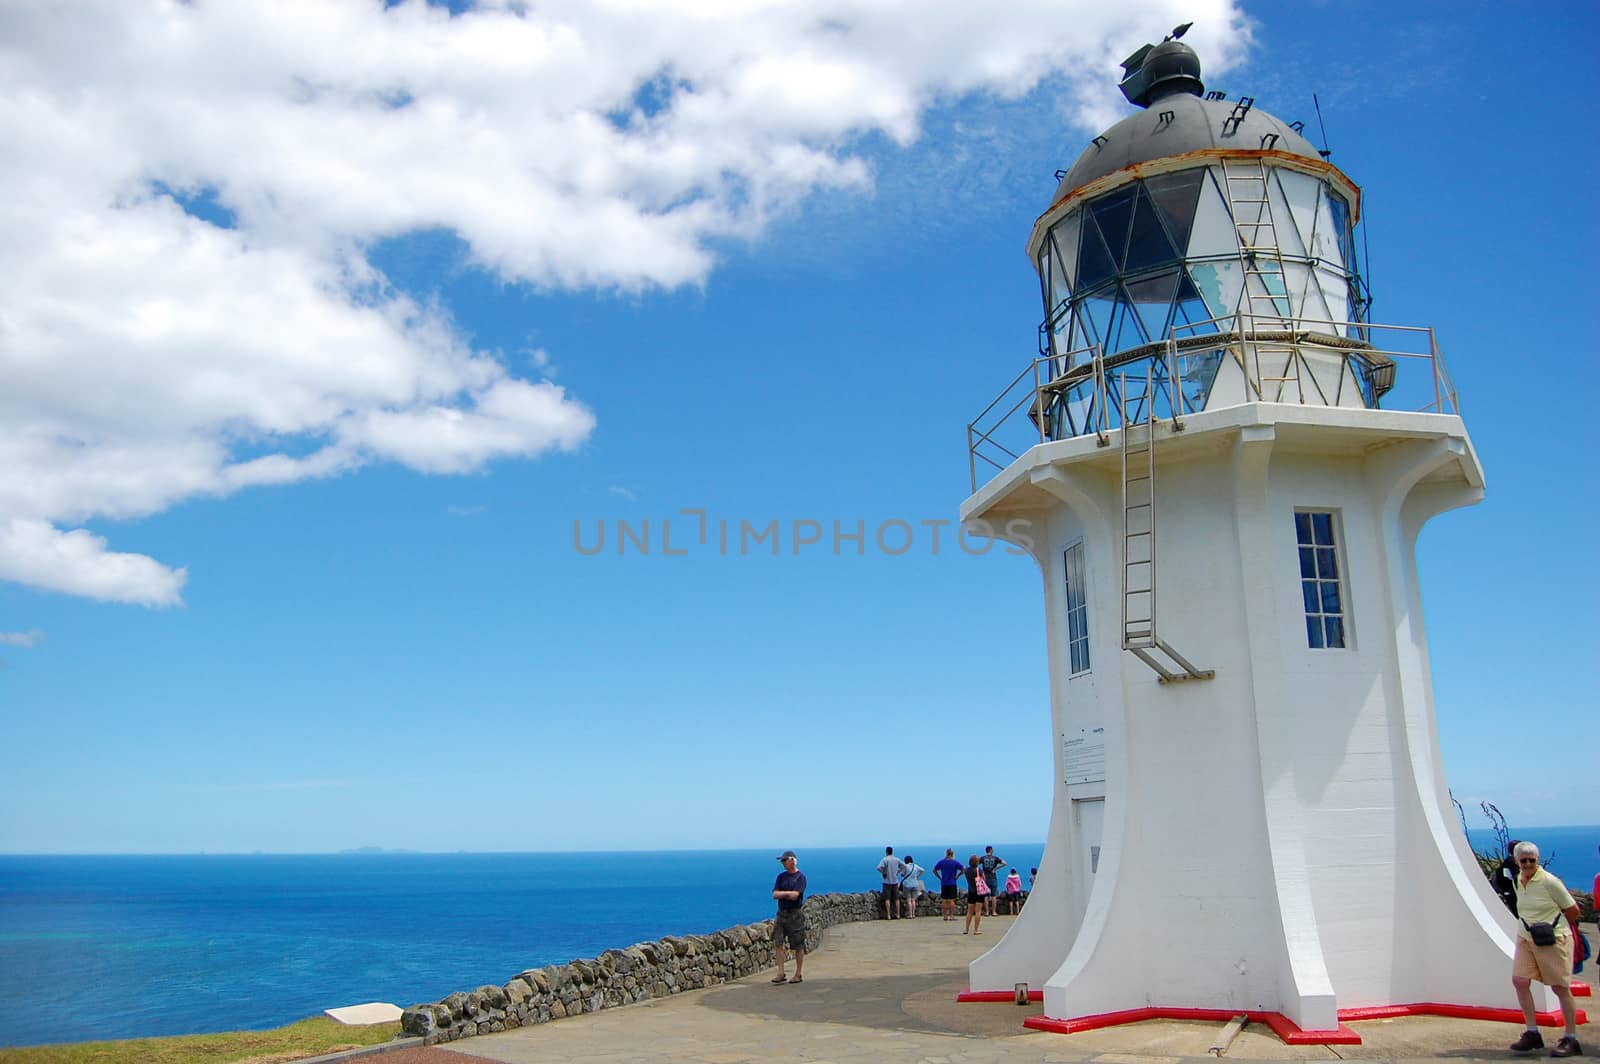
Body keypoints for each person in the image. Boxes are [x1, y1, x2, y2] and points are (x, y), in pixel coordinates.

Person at [1507, 841, 1581, 1057]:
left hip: (1552, 939)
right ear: (1517, 861)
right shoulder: (1518, 881)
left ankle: (1571, 1038)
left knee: (1560, 987)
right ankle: (1532, 1032)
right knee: (1520, 980)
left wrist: (1553, 926)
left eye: (1532, 860)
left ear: (1538, 860)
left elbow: (1573, 909)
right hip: (1526, 937)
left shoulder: (1550, 881)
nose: (1528, 864)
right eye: (1524, 860)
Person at [770, 850, 807, 984]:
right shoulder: (781, 877)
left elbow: (795, 896)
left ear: (793, 860)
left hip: (795, 914)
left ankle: (798, 973)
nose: (783, 863)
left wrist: (783, 894)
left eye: (785, 860)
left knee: (798, 944)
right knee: (778, 942)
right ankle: (781, 973)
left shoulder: (800, 877)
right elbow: (774, 895)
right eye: (782, 861)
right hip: (781, 913)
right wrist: (787, 894)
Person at [933, 849, 964, 921]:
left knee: (944, 900)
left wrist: (939, 877)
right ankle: (951, 916)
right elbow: (963, 869)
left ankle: (945, 916)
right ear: (952, 854)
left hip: (944, 883)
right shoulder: (955, 862)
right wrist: (958, 876)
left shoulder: (941, 862)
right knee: (951, 900)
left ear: (946, 853)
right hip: (952, 883)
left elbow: (934, 870)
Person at [876, 846, 905, 920]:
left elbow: (878, 868)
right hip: (895, 881)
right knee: (897, 899)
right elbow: (904, 866)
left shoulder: (885, 859)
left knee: (887, 899)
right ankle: (898, 914)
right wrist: (898, 871)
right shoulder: (897, 859)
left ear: (886, 852)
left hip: (887, 882)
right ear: (892, 851)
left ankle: (888, 915)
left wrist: (884, 872)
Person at [1493, 840, 1521, 915]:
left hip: (1508, 891)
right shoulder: (1512, 861)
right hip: (1510, 893)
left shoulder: (1510, 861)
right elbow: (1516, 878)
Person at [962, 854, 987, 935]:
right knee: (978, 911)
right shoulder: (979, 870)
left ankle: (966, 929)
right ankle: (976, 930)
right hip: (979, 892)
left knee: (969, 911)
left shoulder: (966, 871)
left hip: (971, 892)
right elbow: (984, 879)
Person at [979, 846, 1007, 917]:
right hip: (993, 878)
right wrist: (996, 868)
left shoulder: (982, 858)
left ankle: (987, 912)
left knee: (985, 896)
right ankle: (994, 912)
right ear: (991, 850)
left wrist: (981, 872)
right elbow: (1004, 863)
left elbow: (975, 864)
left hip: (985, 878)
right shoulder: (995, 858)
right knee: (993, 895)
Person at [900, 854, 927, 918]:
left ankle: (910, 914)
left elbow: (902, 874)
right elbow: (923, 870)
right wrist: (917, 876)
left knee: (909, 900)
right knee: (913, 900)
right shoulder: (915, 866)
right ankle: (913, 914)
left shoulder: (905, 866)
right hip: (915, 884)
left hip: (907, 884)